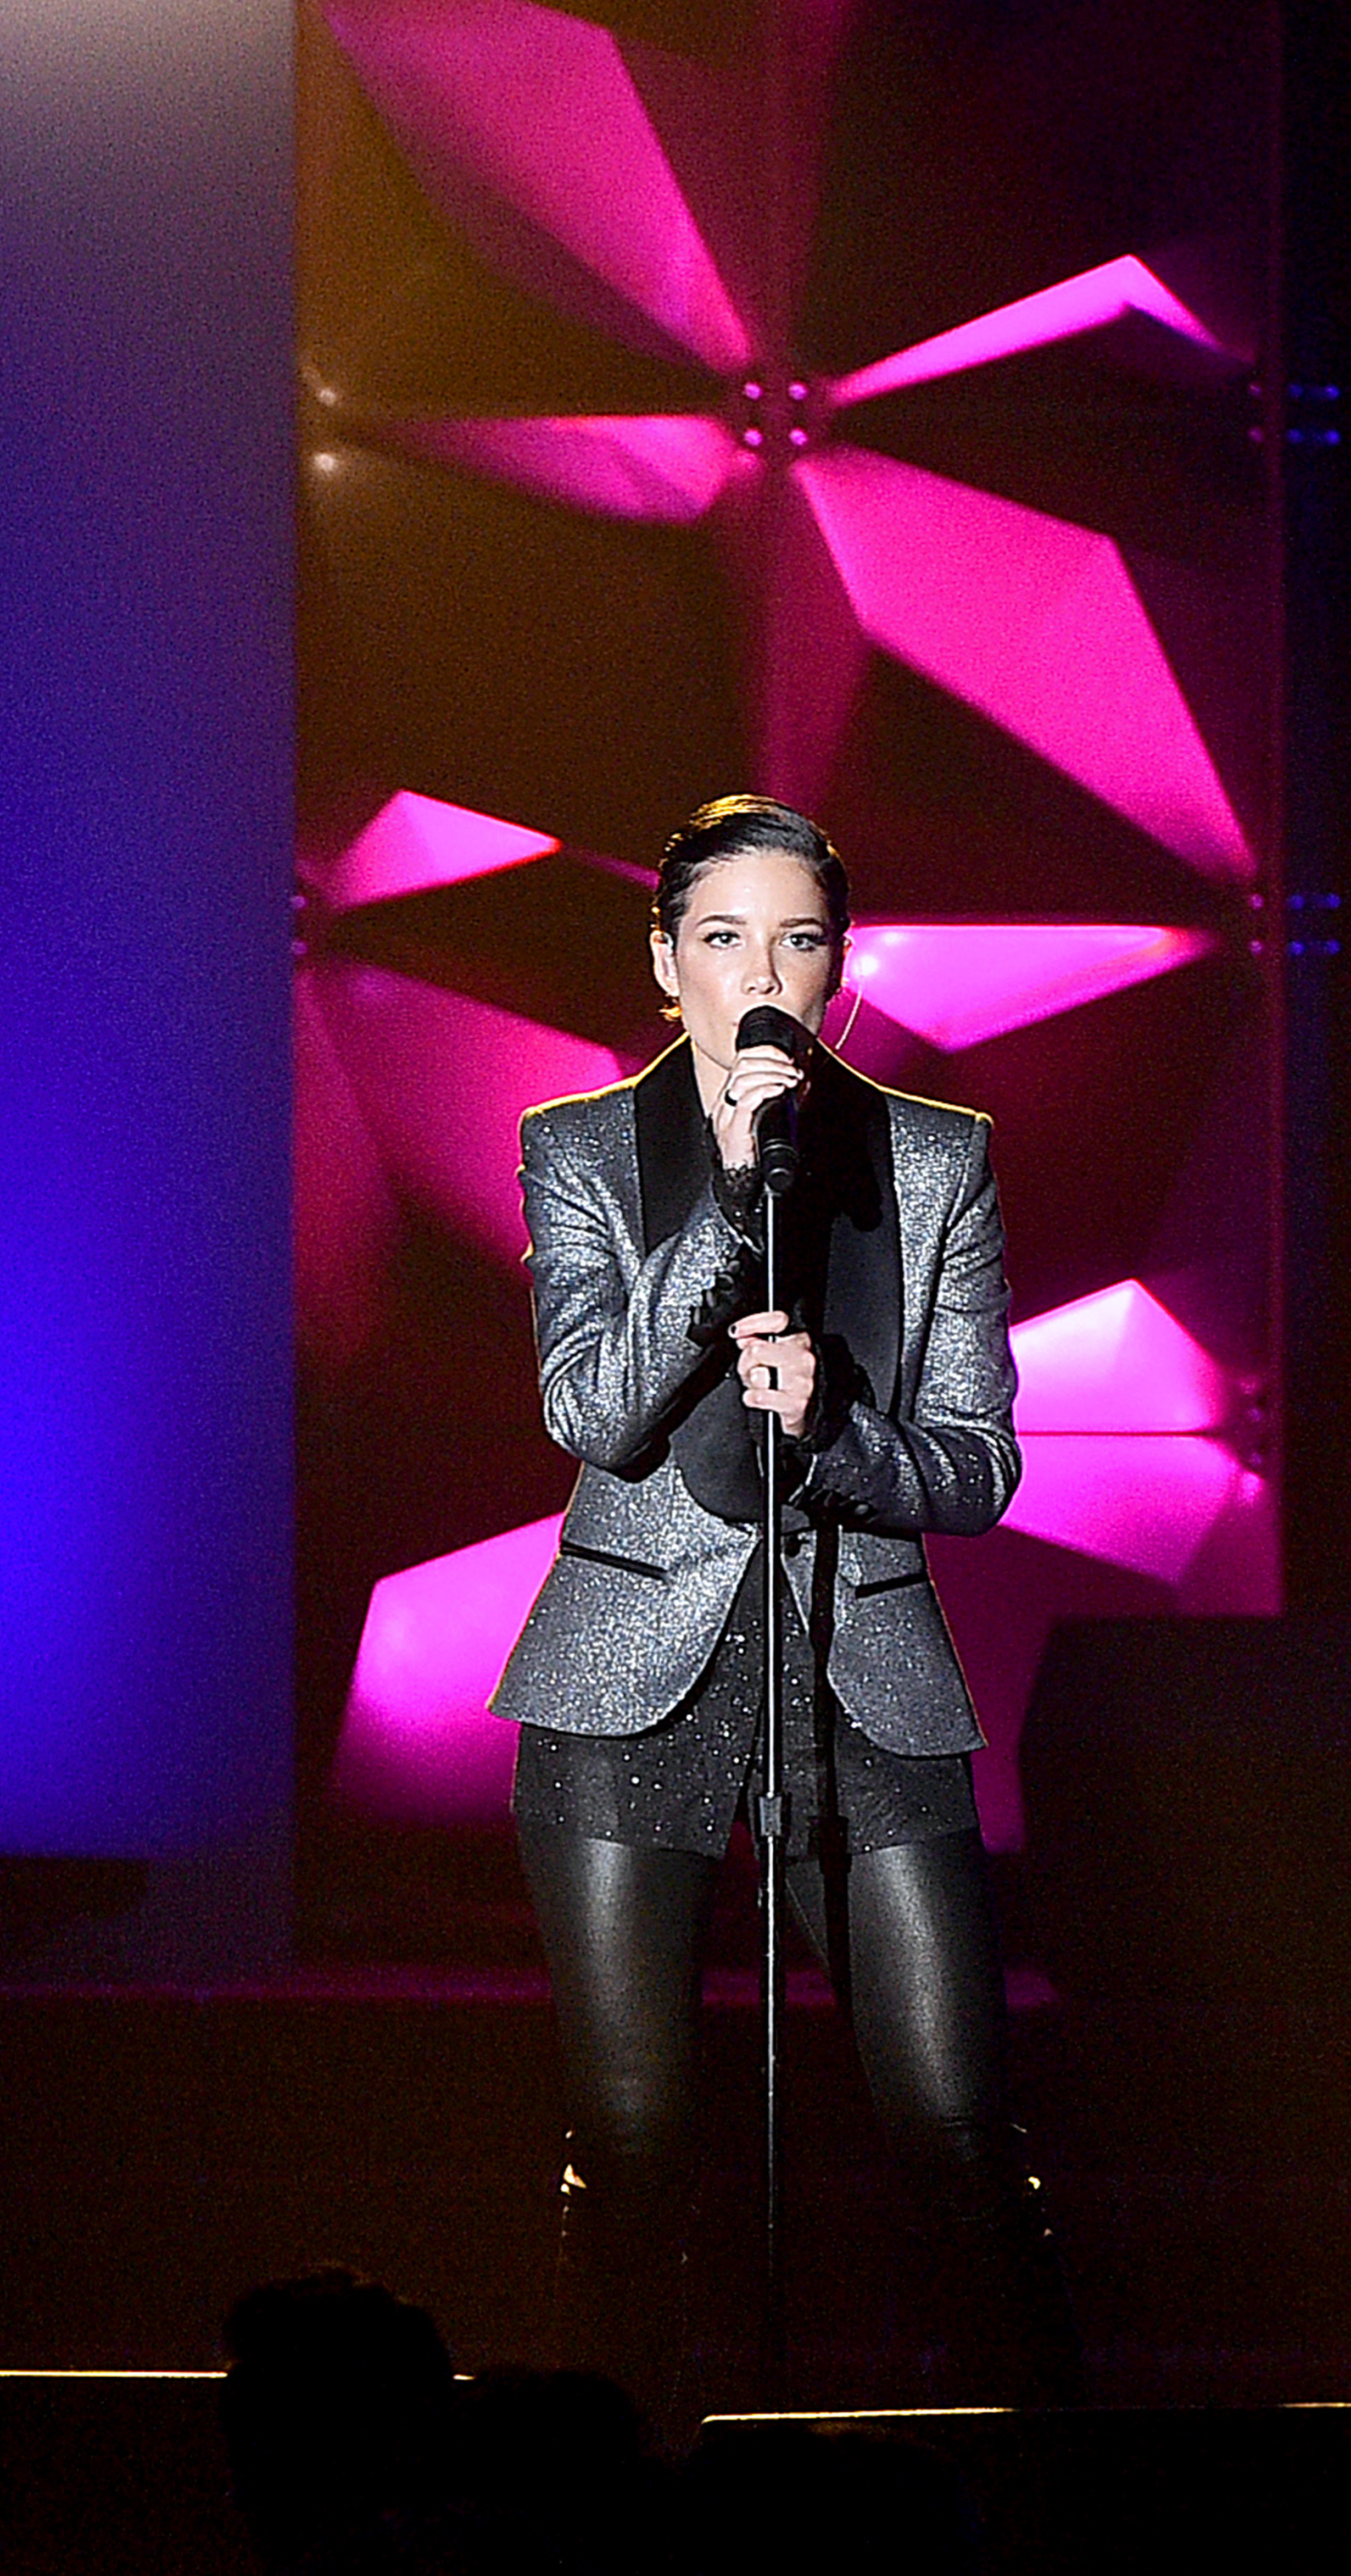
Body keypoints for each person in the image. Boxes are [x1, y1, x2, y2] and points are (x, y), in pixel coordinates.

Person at [489, 795, 1078, 2428]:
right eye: (724, 936)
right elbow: (594, 1413)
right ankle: (605, 2517)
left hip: (863, 1675)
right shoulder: (578, 1149)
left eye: (797, 939)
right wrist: (727, 1186)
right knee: (629, 2146)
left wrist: (835, 1429)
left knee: (956, 2128)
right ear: (665, 959)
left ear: (837, 967)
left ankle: (1052, 2490)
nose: (762, 972)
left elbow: (974, 1470)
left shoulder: (931, 1156)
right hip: (625, 1684)